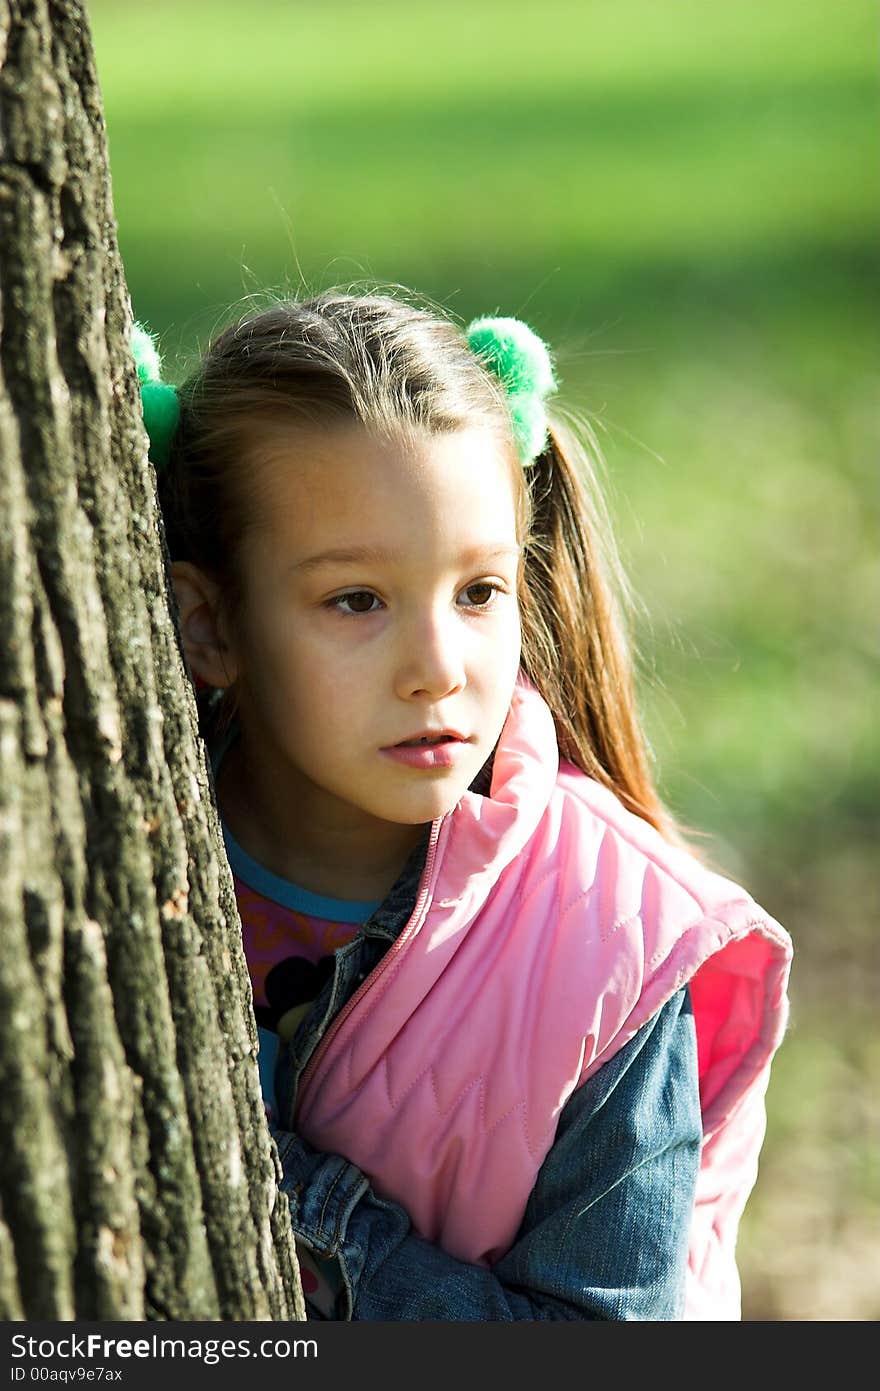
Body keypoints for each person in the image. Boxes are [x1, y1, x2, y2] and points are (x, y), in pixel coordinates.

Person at [134, 290, 793, 1321]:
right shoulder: (116, 868)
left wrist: (284, 1194)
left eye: (478, 591)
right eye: (356, 600)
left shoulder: (609, 947)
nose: (437, 669)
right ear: (208, 624)